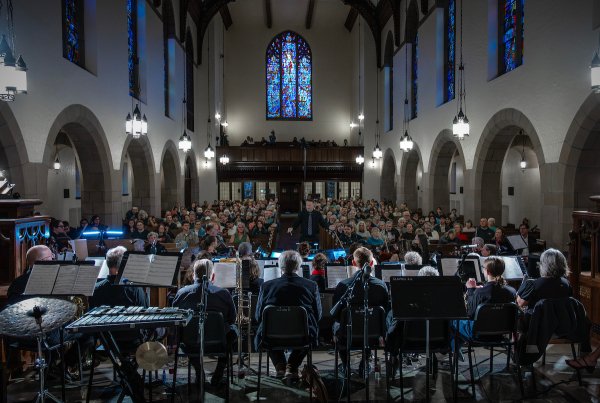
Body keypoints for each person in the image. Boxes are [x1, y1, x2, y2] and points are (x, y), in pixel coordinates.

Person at [255, 250, 322, 379]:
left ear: (280, 266)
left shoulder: (266, 286)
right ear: (299, 266)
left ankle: (280, 365)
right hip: (302, 335)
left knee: (264, 330)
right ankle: (292, 366)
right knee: (310, 328)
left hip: (271, 335)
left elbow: (258, 316)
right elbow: (318, 316)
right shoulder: (311, 285)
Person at [173, 259, 237, 386]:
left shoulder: (181, 293)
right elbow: (232, 318)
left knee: (184, 331)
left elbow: (175, 318)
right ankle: (219, 371)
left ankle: (198, 370)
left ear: (193, 275)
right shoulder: (223, 294)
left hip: (191, 344)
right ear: (212, 276)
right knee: (233, 331)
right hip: (219, 343)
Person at [332, 247, 389, 375]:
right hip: (374, 333)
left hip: (347, 335)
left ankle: (346, 365)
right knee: (368, 322)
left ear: (353, 263)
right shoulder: (381, 285)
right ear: (371, 263)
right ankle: (365, 361)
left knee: (337, 324)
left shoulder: (344, 285)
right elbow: (385, 311)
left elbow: (336, 315)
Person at [452, 257, 517, 357]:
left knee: (453, 321)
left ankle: (455, 349)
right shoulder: (511, 291)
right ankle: (456, 349)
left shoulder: (480, 293)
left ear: (487, 271)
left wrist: (470, 290)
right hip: (502, 333)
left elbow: (470, 314)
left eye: (483, 267)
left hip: (480, 334)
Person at [516, 248, 572, 313]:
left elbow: (520, 303)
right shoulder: (566, 283)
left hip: (539, 320)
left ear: (544, 265)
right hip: (561, 320)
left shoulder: (534, 284)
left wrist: (519, 291)